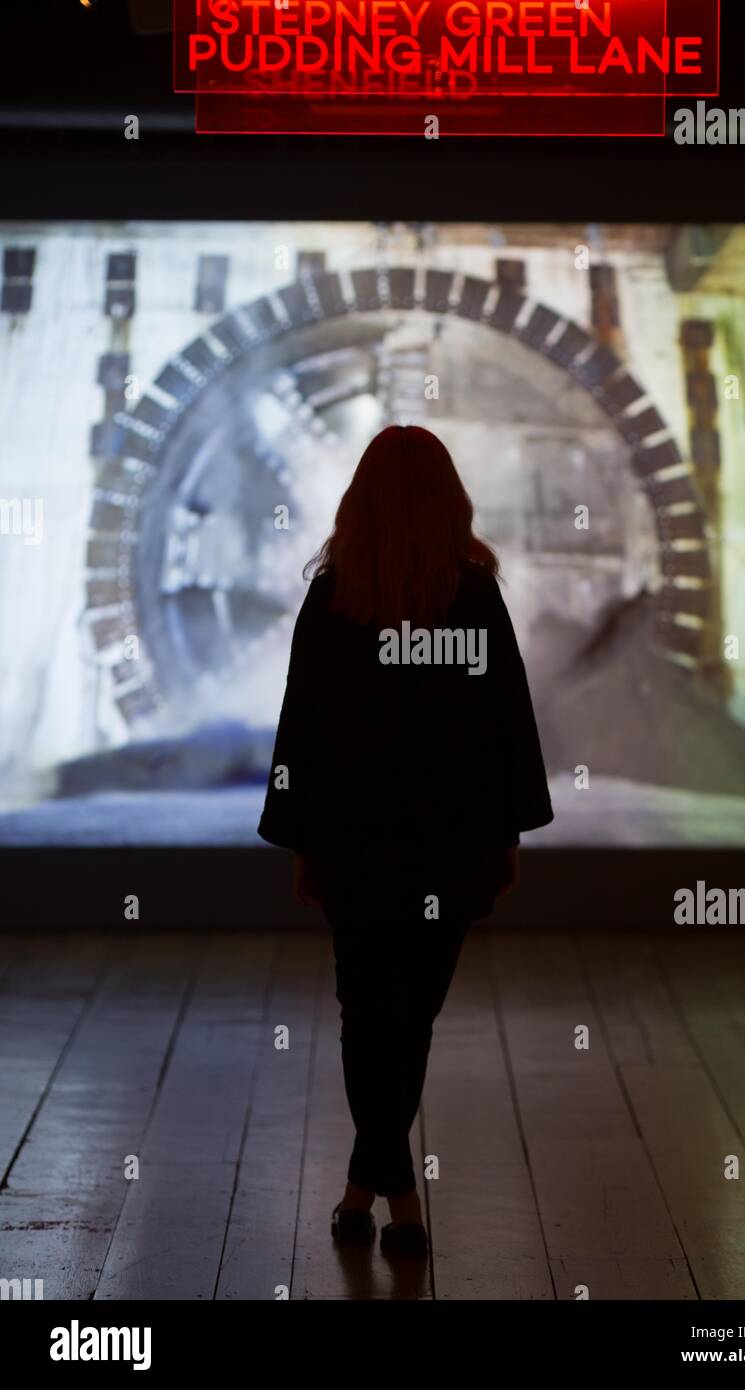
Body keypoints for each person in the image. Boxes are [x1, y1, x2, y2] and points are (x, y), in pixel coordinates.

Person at [258, 424, 553, 1258]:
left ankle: (370, 1189)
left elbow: (302, 728)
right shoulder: (474, 596)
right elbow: (507, 724)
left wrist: (302, 838)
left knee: (367, 1013)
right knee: (411, 1017)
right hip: (449, 846)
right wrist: (506, 835)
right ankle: (399, 1206)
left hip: (356, 845)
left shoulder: (333, 598)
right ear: (447, 500)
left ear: (360, 502)